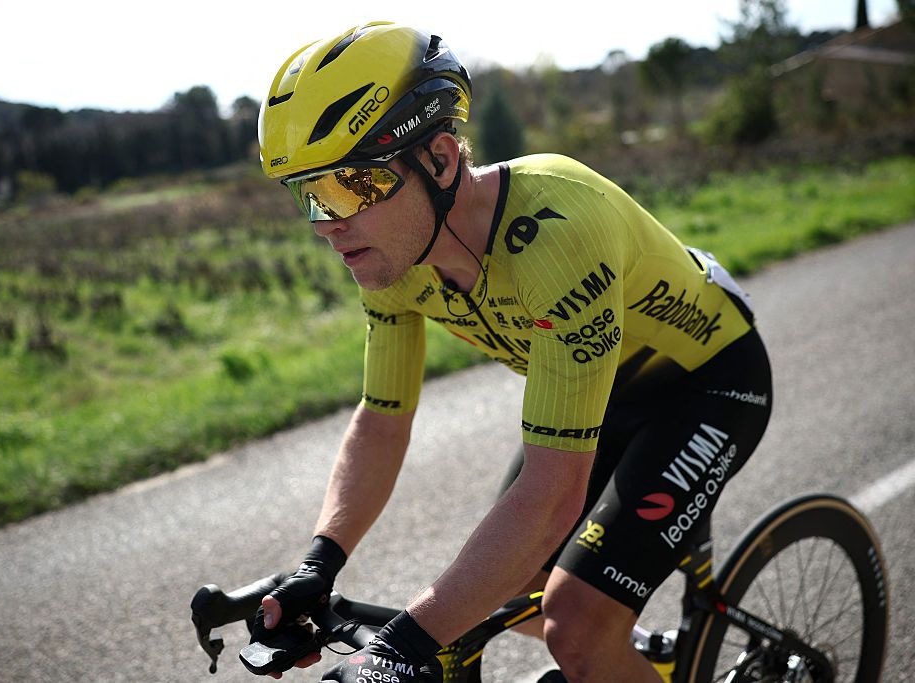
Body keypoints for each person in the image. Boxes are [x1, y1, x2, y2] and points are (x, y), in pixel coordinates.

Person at [253, 21, 773, 683]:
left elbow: (553, 497)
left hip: (707, 382)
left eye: (351, 185)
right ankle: (643, 661)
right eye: (310, 196)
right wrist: (319, 563)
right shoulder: (394, 257)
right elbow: (382, 418)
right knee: (509, 592)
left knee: (575, 627)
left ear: (440, 158)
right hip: (602, 393)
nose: (328, 225)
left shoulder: (558, 230)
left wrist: (397, 646)